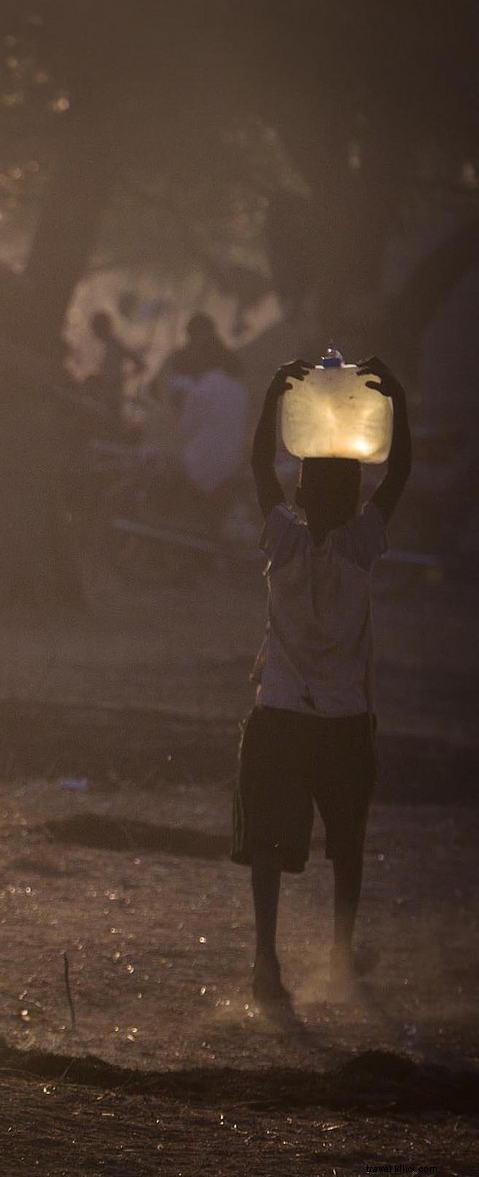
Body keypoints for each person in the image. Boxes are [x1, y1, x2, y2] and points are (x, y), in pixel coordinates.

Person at [236, 356, 411, 1007]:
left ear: (301, 494)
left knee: (267, 846)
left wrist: (271, 396)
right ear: (356, 499)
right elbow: (401, 475)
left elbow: (259, 467)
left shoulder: (282, 538)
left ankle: (265, 962)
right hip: (343, 719)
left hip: (279, 712)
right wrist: (396, 399)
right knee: (349, 847)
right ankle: (340, 956)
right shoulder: (364, 544)